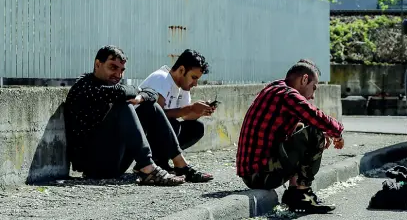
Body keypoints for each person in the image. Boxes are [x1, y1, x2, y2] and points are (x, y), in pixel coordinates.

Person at [63, 45, 209, 185]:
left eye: (122, 70)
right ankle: (148, 169)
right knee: (124, 105)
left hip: (116, 161)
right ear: (97, 64)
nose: (118, 75)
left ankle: (180, 165)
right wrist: (139, 94)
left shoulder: (111, 85)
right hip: (93, 164)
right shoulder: (84, 85)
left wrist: (140, 97)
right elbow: (122, 92)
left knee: (151, 107)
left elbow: (149, 93)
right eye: (113, 67)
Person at [236, 59, 345, 214]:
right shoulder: (288, 95)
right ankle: (302, 193)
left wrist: (324, 131)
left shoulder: (276, 88)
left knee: (307, 127)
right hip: (261, 175)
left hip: (254, 173)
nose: (313, 95)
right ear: (304, 79)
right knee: (314, 131)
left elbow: (302, 121)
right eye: (313, 88)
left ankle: (295, 192)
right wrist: (337, 133)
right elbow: (315, 115)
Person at [139, 49, 215, 182]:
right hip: (142, 137)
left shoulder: (183, 87)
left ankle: (162, 162)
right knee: (172, 123)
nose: (195, 84)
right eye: (194, 78)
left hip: (160, 135)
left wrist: (199, 112)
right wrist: (190, 108)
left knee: (196, 127)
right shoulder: (161, 78)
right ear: (181, 70)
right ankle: (163, 163)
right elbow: (156, 113)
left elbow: (185, 116)